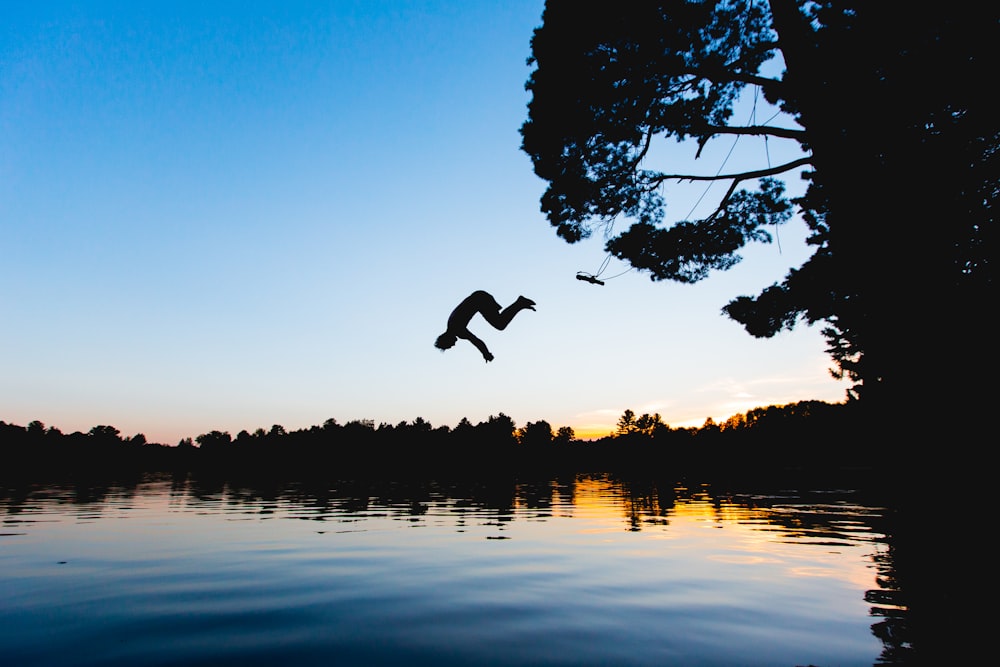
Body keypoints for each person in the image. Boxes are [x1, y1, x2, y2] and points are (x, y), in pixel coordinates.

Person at [434, 290, 536, 362]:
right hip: (479, 297)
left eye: (450, 345)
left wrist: (486, 354)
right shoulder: (451, 325)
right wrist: (485, 353)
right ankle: (520, 303)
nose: (454, 345)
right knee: (499, 322)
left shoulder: (457, 329)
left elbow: (477, 342)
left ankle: (520, 303)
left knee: (500, 324)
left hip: (480, 300)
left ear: (447, 339)